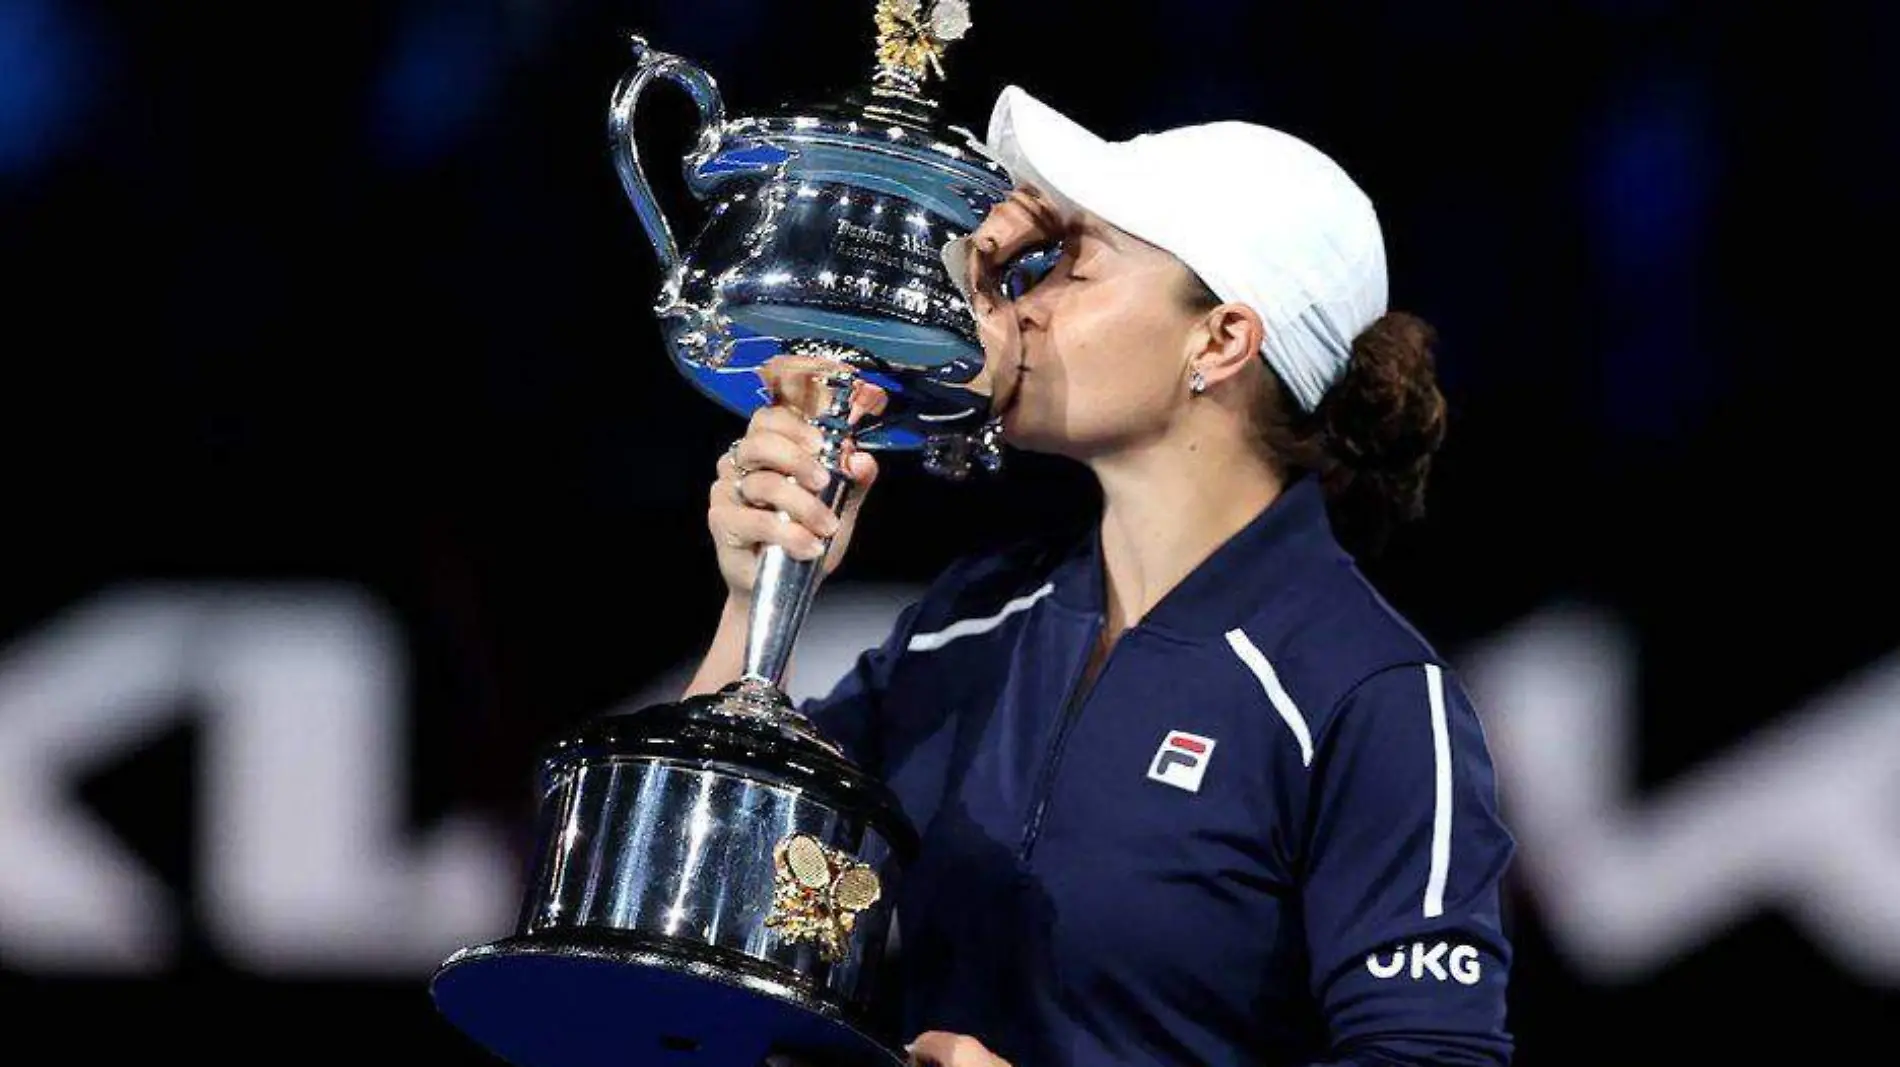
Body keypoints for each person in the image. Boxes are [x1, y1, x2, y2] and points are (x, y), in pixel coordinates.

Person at [685, 84, 1516, 1067]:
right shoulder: (971, 621)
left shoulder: (1363, 692)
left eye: (1068, 264)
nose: (1012, 306)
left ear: (1220, 340)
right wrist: (756, 600)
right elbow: (700, 918)